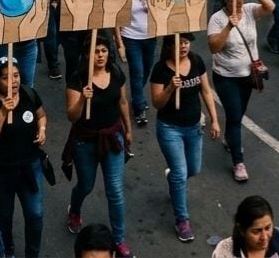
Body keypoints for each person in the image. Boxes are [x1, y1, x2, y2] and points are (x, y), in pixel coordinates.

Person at [65, 35, 134, 258]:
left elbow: (122, 102)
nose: (101, 55)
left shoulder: (115, 72)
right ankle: (74, 210)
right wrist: (83, 100)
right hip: (85, 140)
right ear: (88, 54)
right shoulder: (78, 79)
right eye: (96, 51)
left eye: (104, 51)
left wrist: (128, 129)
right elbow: (72, 116)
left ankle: (119, 239)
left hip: (112, 138)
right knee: (85, 184)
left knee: (115, 190)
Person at [150, 31, 220, 243]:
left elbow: (206, 91)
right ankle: (182, 219)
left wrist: (214, 119)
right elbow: (157, 103)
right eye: (179, 43)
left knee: (194, 169)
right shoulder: (160, 70)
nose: (183, 47)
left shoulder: (197, 61)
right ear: (169, 46)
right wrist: (171, 87)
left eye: (186, 43)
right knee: (181, 174)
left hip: (193, 127)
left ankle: (173, 179)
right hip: (170, 128)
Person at [0, 55, 47, 258]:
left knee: (35, 214)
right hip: (0, 172)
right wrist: (2, 113)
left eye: (16, 75)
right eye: (7, 77)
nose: (14, 81)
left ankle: (32, 254)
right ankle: (7, 252)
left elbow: (41, 115)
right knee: (4, 217)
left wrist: (42, 130)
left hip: (29, 167)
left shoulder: (29, 94)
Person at [207, 0, 276, 182]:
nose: (237, 1)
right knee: (235, 116)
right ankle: (238, 162)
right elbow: (213, 47)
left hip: (248, 76)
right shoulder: (217, 19)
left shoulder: (248, 11)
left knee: (237, 113)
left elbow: (270, 7)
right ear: (225, 0)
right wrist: (229, 25)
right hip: (226, 78)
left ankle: (230, 138)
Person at [211, 195, 279, 258]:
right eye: (256, 231)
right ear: (241, 230)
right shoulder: (224, 253)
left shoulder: (278, 237)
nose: (264, 237)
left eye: (268, 228)